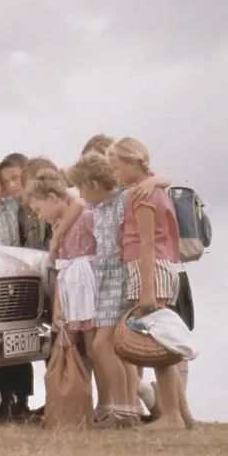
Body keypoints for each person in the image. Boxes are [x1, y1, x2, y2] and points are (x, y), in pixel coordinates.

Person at [108, 138, 193, 430]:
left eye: (117, 166)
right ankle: (183, 415)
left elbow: (146, 242)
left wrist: (145, 291)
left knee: (157, 346)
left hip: (149, 269)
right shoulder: (151, 187)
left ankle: (171, 416)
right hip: (157, 268)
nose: (114, 172)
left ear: (132, 164)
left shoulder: (142, 195)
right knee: (161, 344)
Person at [24, 170, 105, 408]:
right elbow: (61, 268)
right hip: (72, 291)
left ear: (53, 198)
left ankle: (110, 400)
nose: (39, 216)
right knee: (79, 348)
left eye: (39, 210)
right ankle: (80, 401)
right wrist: (58, 305)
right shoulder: (60, 225)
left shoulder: (85, 217)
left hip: (86, 287)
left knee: (94, 347)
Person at [68, 151, 137, 427]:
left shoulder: (122, 200)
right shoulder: (97, 208)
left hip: (119, 278)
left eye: (84, 189)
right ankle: (123, 408)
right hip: (105, 279)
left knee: (102, 345)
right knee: (107, 347)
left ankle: (122, 409)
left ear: (93, 185)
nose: (82, 196)